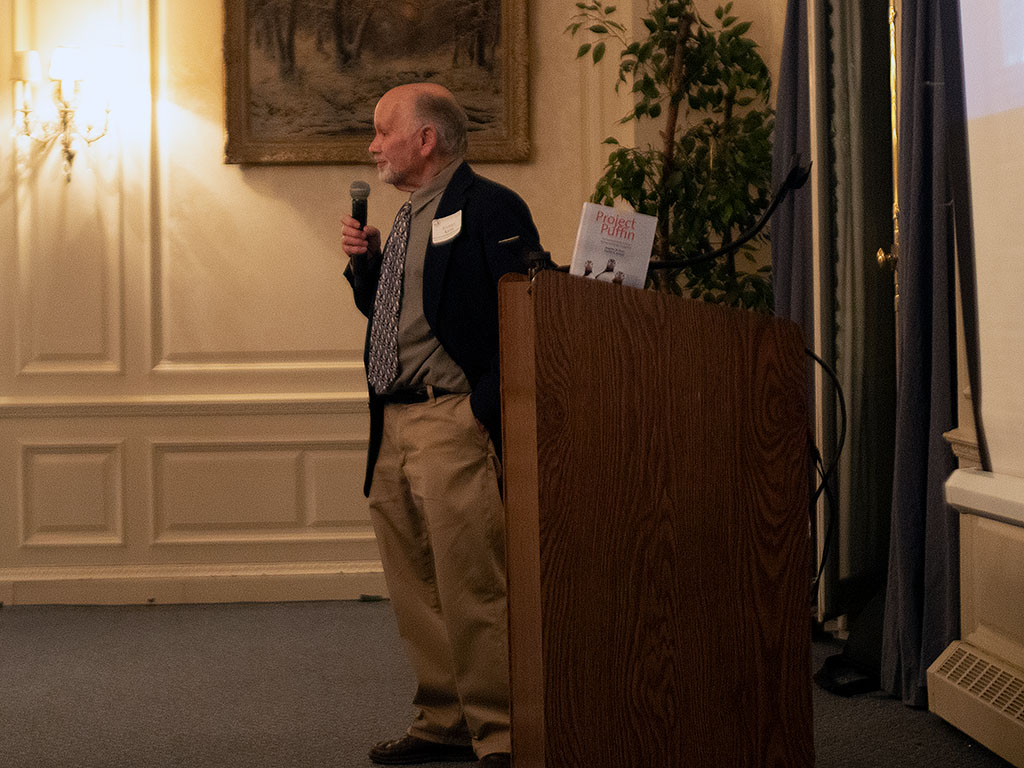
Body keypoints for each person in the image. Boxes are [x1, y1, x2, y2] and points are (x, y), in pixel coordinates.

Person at [340, 83, 542, 768]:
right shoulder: (404, 218)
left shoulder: (489, 207)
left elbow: (526, 312)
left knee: (471, 585)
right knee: (415, 585)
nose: (372, 146)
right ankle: (444, 717)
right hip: (391, 423)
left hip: (450, 418)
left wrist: (482, 410)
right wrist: (365, 266)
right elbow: (399, 316)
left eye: (382, 131)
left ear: (425, 139)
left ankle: (503, 734)